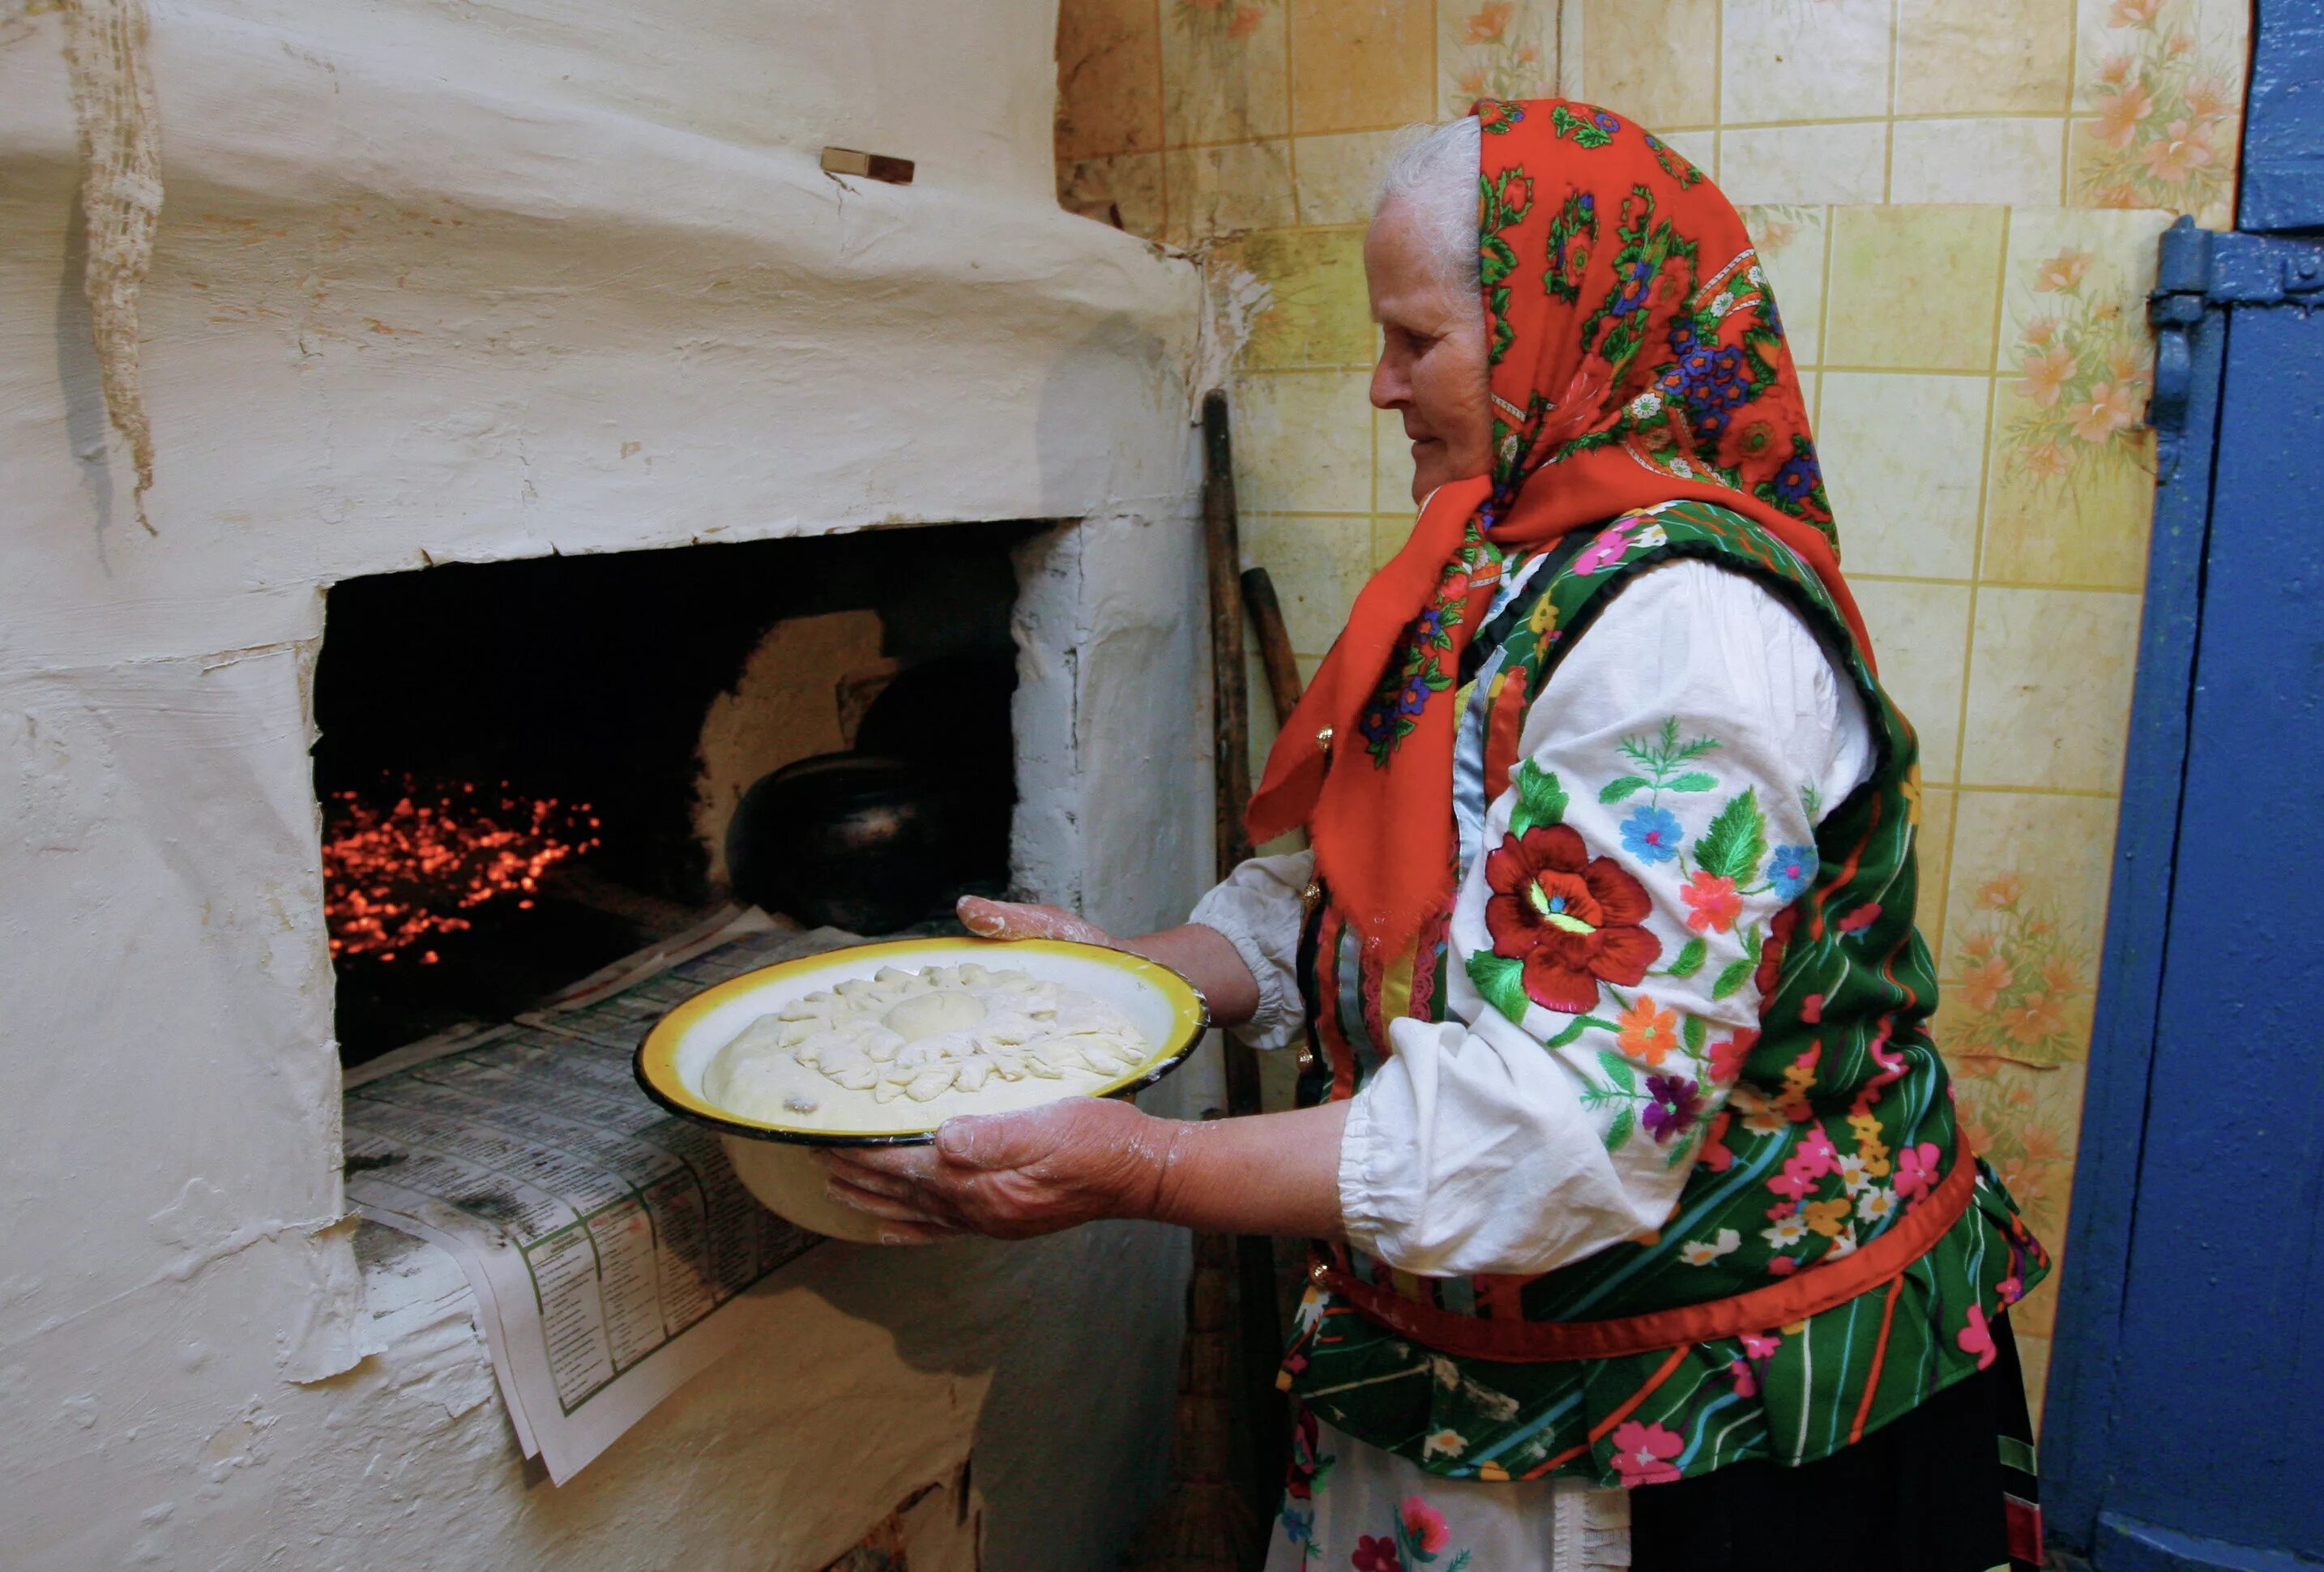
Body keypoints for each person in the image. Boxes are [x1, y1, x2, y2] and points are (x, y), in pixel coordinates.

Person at [823, 99, 2048, 1572]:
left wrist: (1140, 1169)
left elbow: (1568, 1124)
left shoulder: (1687, 638)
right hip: (1486, 1358)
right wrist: (1131, 978)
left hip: (1707, 1421)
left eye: (1417, 342)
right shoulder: (1496, 560)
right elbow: (1387, 886)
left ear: (1567, 329)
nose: (1379, 388)